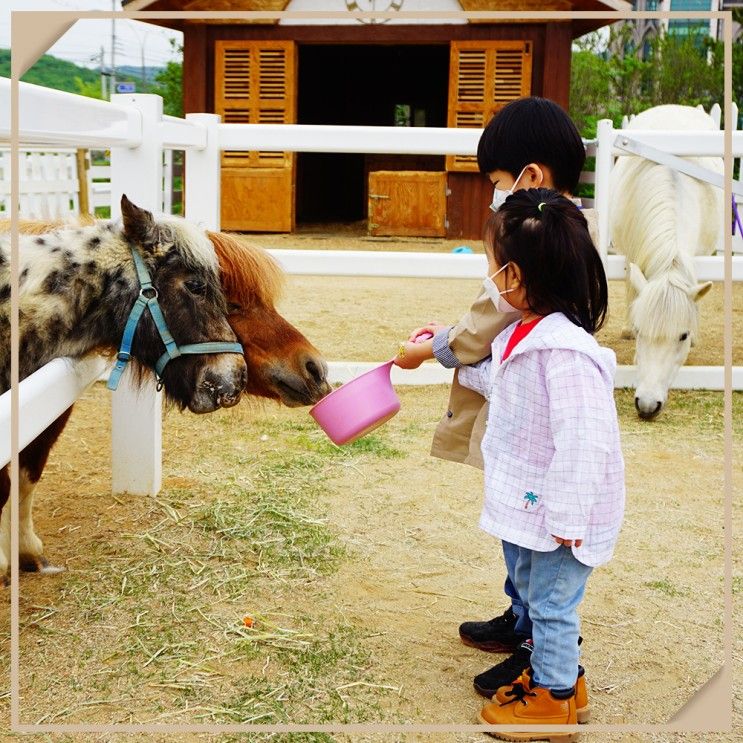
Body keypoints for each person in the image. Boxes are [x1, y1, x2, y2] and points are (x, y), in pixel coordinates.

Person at [395, 96, 600, 701]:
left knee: (533, 536)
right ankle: (523, 618)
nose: (493, 194)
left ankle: (541, 644)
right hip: (520, 414)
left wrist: (434, 348)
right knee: (518, 527)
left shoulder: (536, 246)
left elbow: (487, 319)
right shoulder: (560, 235)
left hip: (532, 422)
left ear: (530, 179)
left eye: (496, 183)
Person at [457, 187, 623, 734]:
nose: (490, 278)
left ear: (516, 277)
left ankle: (552, 699)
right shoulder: (525, 333)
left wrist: (570, 518)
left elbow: (585, 439)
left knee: (552, 606)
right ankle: (563, 681)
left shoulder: (567, 353)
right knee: (532, 589)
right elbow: (506, 382)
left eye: (493, 267)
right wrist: (455, 365)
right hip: (534, 504)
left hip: (559, 515)